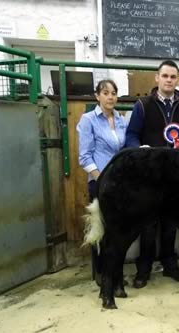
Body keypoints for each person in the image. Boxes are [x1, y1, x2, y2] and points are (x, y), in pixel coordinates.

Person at [124, 60, 179, 289]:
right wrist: (140, 150)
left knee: (171, 221)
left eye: (173, 77)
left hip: (174, 174)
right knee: (148, 223)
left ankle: (170, 265)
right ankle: (143, 269)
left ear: (177, 79)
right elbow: (131, 135)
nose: (169, 80)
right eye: (165, 76)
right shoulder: (142, 105)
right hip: (149, 174)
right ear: (157, 78)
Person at [77, 79, 128, 284]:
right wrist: (102, 178)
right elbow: (84, 157)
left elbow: (124, 150)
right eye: (105, 93)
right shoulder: (88, 120)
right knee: (101, 228)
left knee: (119, 231)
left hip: (119, 184)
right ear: (97, 96)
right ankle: (101, 273)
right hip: (100, 183)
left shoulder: (121, 119)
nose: (110, 97)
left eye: (113, 93)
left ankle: (117, 273)